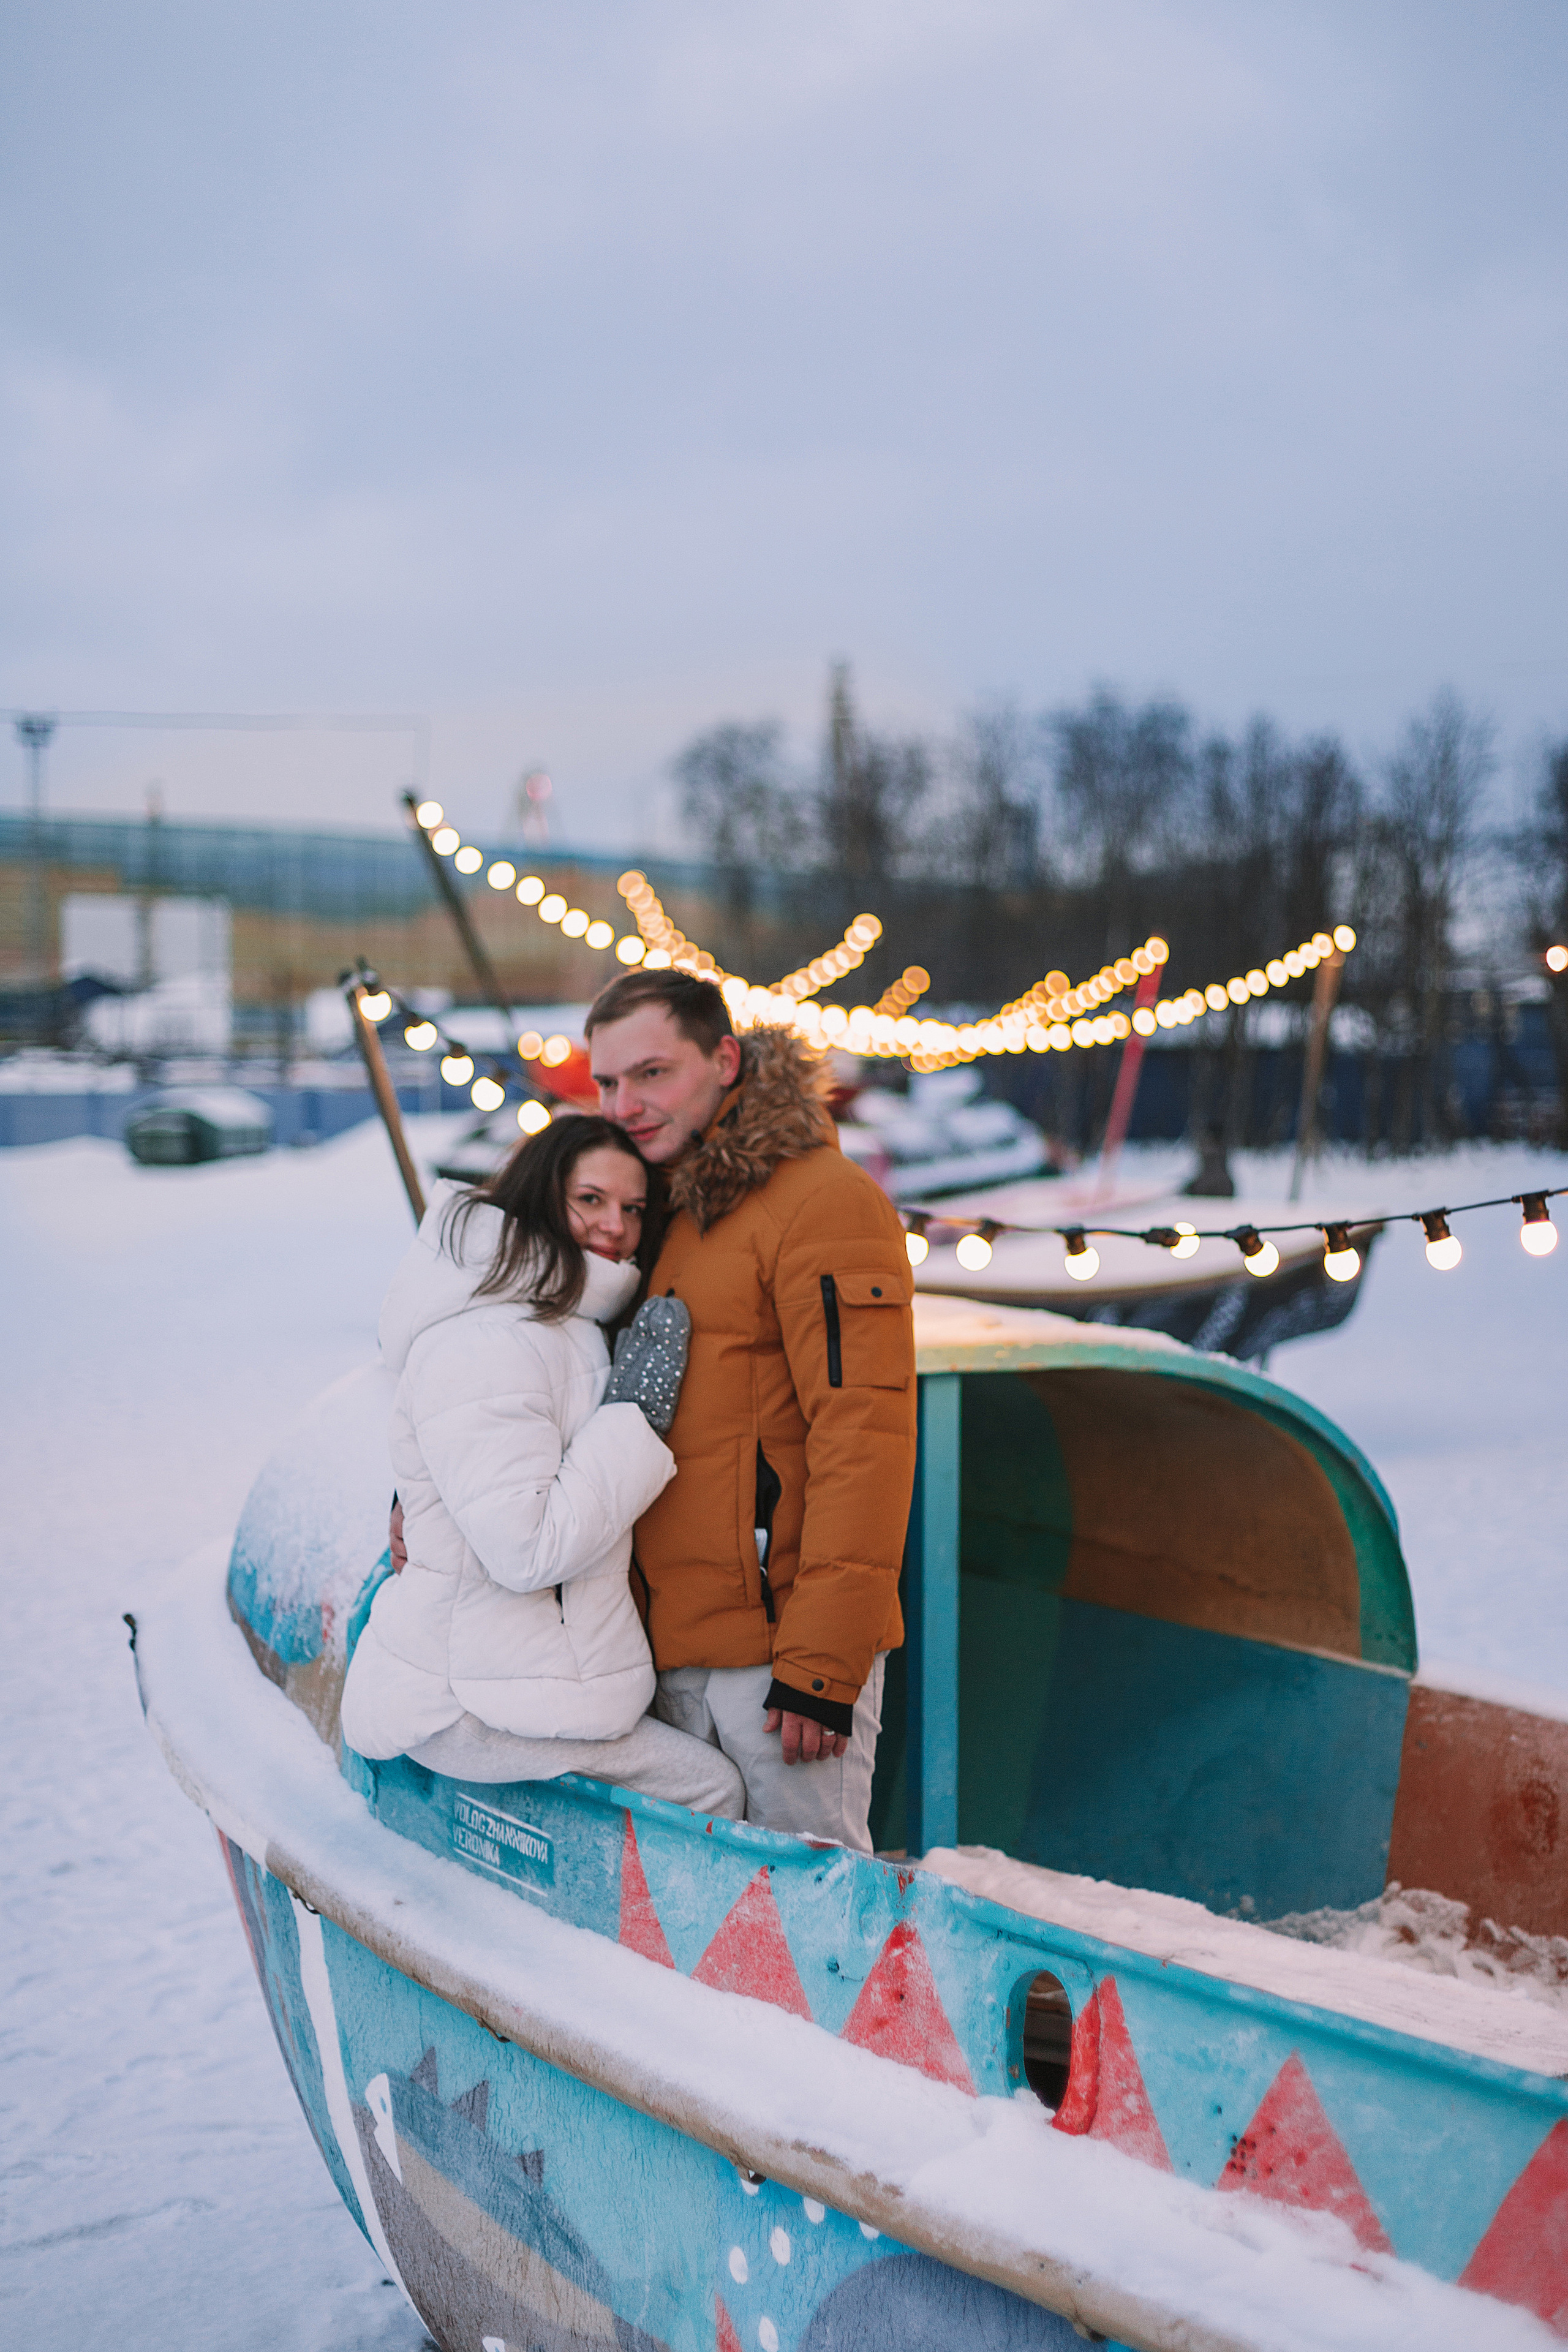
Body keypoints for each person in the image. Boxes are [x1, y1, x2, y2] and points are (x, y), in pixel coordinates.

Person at [585, 967, 919, 1852]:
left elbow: (866, 1434)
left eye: (652, 1073)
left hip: (779, 1665)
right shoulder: (655, 1209)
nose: (623, 1104)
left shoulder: (824, 1200)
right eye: (607, 1082)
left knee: (800, 1915)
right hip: (667, 1653)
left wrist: (824, 1662)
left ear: (725, 1061)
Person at [341, 1115, 745, 1818]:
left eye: (633, 1208)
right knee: (712, 1789)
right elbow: (524, 1548)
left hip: (507, 1676)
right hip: (468, 1696)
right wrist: (634, 1418)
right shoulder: (491, 1338)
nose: (615, 1227)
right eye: (590, 1200)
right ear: (536, 1194)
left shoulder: (554, 1318)